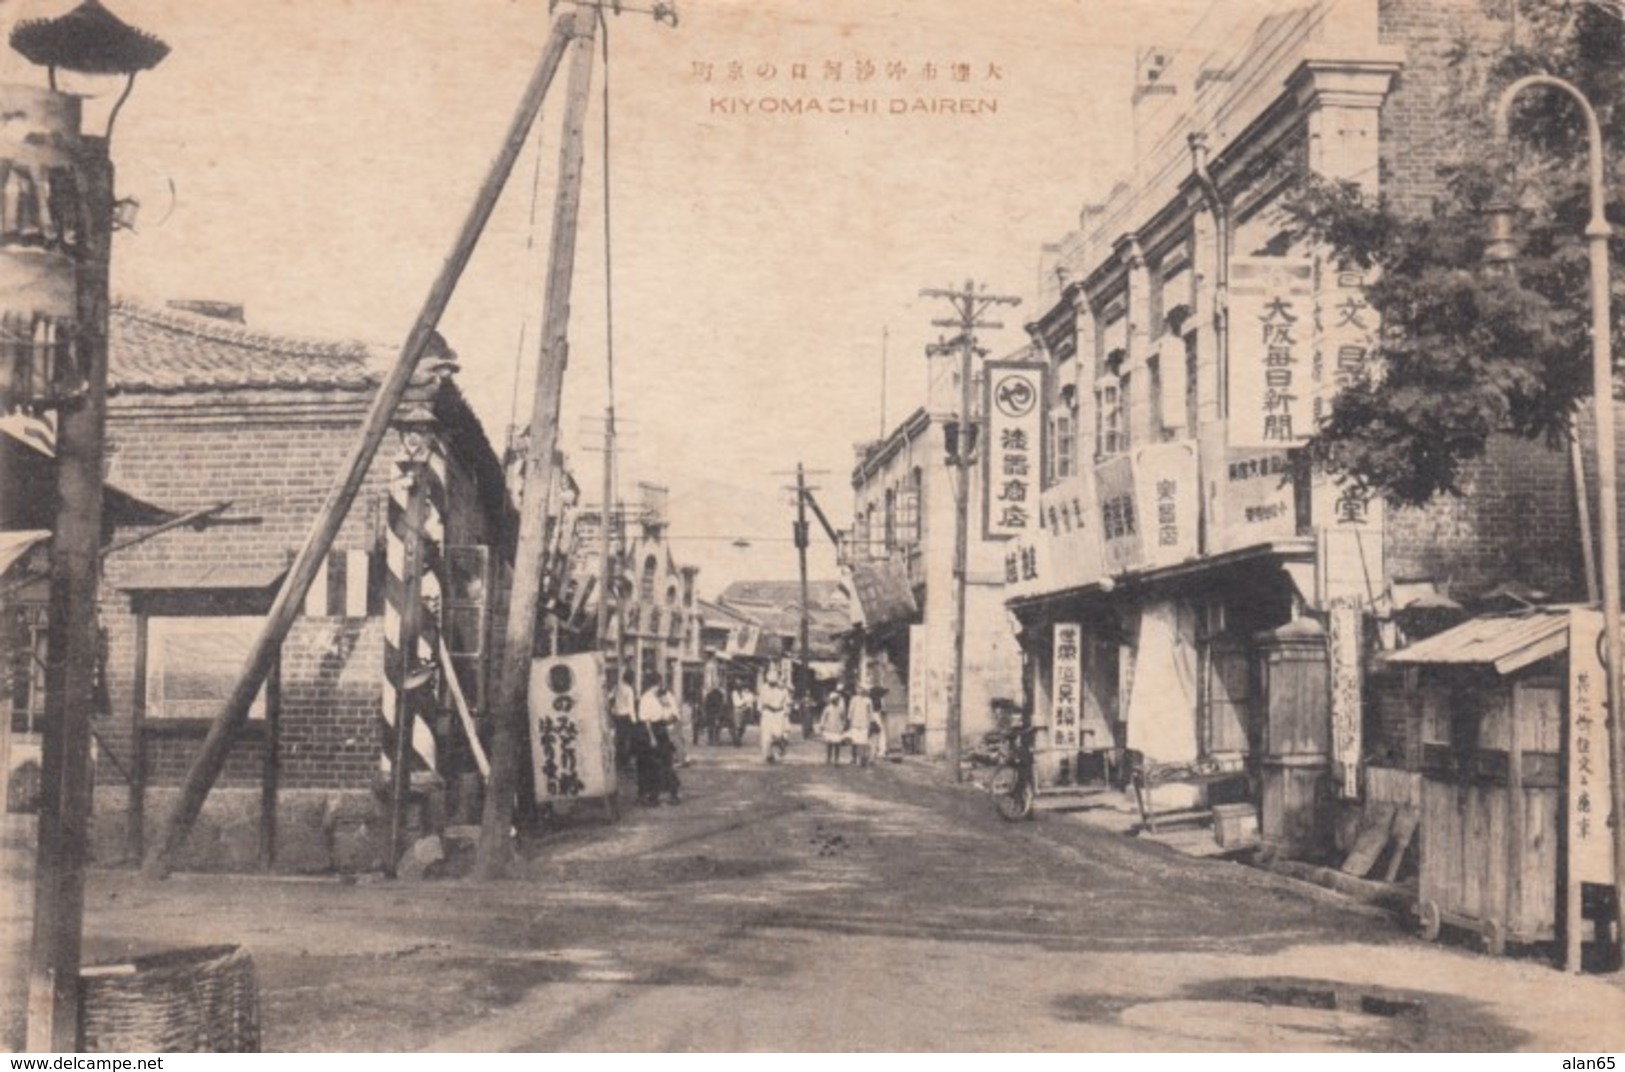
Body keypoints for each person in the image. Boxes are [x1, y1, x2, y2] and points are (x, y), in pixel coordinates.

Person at [636, 675, 682, 805]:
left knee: (665, 763)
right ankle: (653, 795)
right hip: (652, 732)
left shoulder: (660, 697)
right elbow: (646, 721)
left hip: (662, 730)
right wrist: (651, 738)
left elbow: (669, 713)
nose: (659, 687)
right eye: (658, 684)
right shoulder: (646, 698)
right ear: (653, 684)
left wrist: (669, 717)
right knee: (654, 765)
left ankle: (673, 792)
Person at [758, 668, 790, 763]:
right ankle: (769, 755)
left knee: (778, 734)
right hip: (767, 713)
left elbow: (786, 702)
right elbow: (760, 701)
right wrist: (760, 711)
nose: (771, 683)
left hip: (778, 714)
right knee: (766, 736)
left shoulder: (782, 690)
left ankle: (781, 747)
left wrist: (785, 714)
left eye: (773, 681)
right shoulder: (763, 688)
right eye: (770, 681)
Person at [610, 668, 638, 772]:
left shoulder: (617, 687)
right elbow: (631, 707)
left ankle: (618, 761)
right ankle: (625, 762)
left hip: (617, 716)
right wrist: (634, 721)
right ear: (631, 679)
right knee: (628, 739)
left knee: (619, 739)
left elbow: (609, 697)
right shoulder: (629, 690)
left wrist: (613, 709)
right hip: (626, 717)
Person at [853, 685, 886, 766]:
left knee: (865, 739)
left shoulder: (866, 700)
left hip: (866, 719)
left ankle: (863, 758)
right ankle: (872, 757)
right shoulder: (877, 700)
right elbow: (881, 710)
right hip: (874, 718)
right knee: (875, 738)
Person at [819, 688, 850, 765]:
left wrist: (843, 726)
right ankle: (829, 758)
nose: (836, 701)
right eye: (835, 699)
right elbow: (823, 717)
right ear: (832, 700)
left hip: (837, 729)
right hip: (829, 728)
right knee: (829, 744)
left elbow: (843, 718)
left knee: (837, 744)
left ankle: (836, 759)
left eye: (837, 699)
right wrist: (822, 725)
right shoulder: (827, 708)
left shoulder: (840, 709)